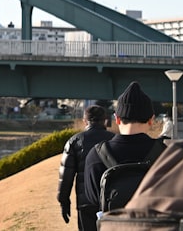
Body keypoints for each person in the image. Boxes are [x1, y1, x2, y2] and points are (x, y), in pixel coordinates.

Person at [84, 82, 162, 214]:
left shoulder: (96, 155)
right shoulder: (166, 154)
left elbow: (93, 199)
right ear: (151, 120)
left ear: (117, 119)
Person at [57, 105, 112, 230]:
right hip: (110, 200)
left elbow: (65, 176)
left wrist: (63, 201)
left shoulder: (75, 141)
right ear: (105, 120)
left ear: (85, 121)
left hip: (85, 201)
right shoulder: (114, 139)